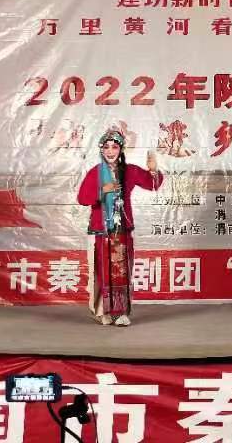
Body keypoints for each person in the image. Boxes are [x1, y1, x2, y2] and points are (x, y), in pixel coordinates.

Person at [77, 129, 162, 326]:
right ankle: (103, 312)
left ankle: (121, 312)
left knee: (122, 271)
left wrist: (153, 170)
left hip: (122, 230)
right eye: (106, 147)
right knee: (102, 271)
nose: (110, 151)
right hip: (101, 231)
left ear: (121, 149)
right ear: (101, 150)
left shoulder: (129, 171)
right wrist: (102, 190)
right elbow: (82, 198)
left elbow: (152, 184)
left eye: (114, 147)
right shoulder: (96, 172)